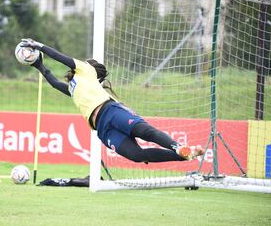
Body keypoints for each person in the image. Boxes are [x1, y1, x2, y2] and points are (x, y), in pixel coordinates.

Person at [20, 38, 204, 163]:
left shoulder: (86, 70)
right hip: (102, 129)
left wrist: (39, 46)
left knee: (144, 131)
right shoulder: (73, 88)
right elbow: (53, 82)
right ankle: (184, 156)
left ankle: (177, 146)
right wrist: (39, 65)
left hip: (110, 111)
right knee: (136, 155)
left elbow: (60, 57)